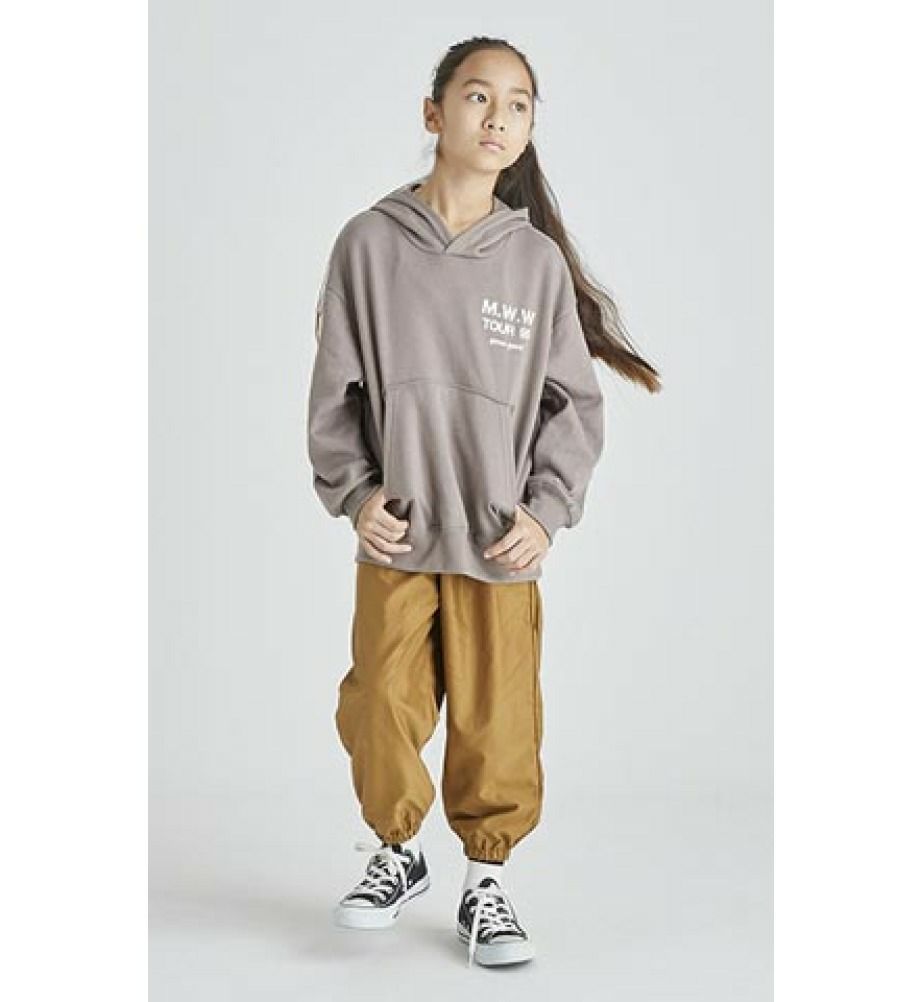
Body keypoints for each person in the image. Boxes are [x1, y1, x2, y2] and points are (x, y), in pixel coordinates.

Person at [306, 35, 661, 968]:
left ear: (530, 128)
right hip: (398, 534)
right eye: (476, 97)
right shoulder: (368, 244)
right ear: (434, 113)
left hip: (499, 543)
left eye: (518, 104)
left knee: (498, 720)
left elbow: (575, 405)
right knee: (378, 702)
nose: (497, 117)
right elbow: (335, 394)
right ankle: (397, 852)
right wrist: (356, 494)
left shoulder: (533, 263)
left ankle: (485, 882)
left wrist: (546, 511)